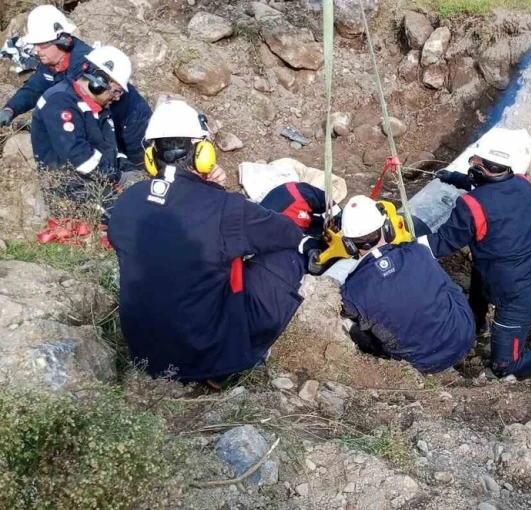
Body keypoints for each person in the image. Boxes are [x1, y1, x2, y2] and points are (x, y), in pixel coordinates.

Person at [108, 100, 310, 387]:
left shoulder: (127, 200)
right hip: (201, 356)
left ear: (151, 156)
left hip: (144, 353)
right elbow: (287, 233)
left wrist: (208, 190)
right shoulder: (225, 207)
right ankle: (229, 362)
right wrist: (215, 191)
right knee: (287, 256)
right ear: (202, 153)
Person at [418, 128, 531, 378]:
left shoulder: (472, 207)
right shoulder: (522, 184)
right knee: (479, 272)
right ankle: (477, 322)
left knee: (505, 368)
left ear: (487, 167)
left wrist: (400, 240)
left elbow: (439, 245)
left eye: (476, 161)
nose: (472, 164)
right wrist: (453, 178)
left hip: (517, 296)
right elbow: (488, 189)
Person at [339, 195, 475, 373]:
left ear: (348, 245)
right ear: (388, 229)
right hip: (464, 336)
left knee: (357, 329)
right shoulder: (419, 252)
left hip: (421, 364)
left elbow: (348, 310)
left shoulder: (352, 291)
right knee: (447, 287)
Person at [0, 5, 151, 165]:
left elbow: (88, 116)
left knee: (138, 169)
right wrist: (10, 109)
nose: (36, 50)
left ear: (63, 41)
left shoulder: (87, 68)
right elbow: (35, 87)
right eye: (35, 44)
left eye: (42, 45)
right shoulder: (52, 62)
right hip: (108, 122)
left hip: (130, 123)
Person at [31, 45, 132, 206]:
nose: (117, 98)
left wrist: (127, 167)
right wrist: (118, 176)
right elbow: (77, 154)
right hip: (70, 192)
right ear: (98, 82)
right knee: (129, 219)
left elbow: (107, 147)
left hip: (98, 182)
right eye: (116, 91)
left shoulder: (99, 107)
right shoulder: (60, 102)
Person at [261, 181, 339, 236]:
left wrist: (337, 217)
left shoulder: (298, 192)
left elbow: (329, 204)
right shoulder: (281, 229)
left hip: (293, 205)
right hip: (289, 226)